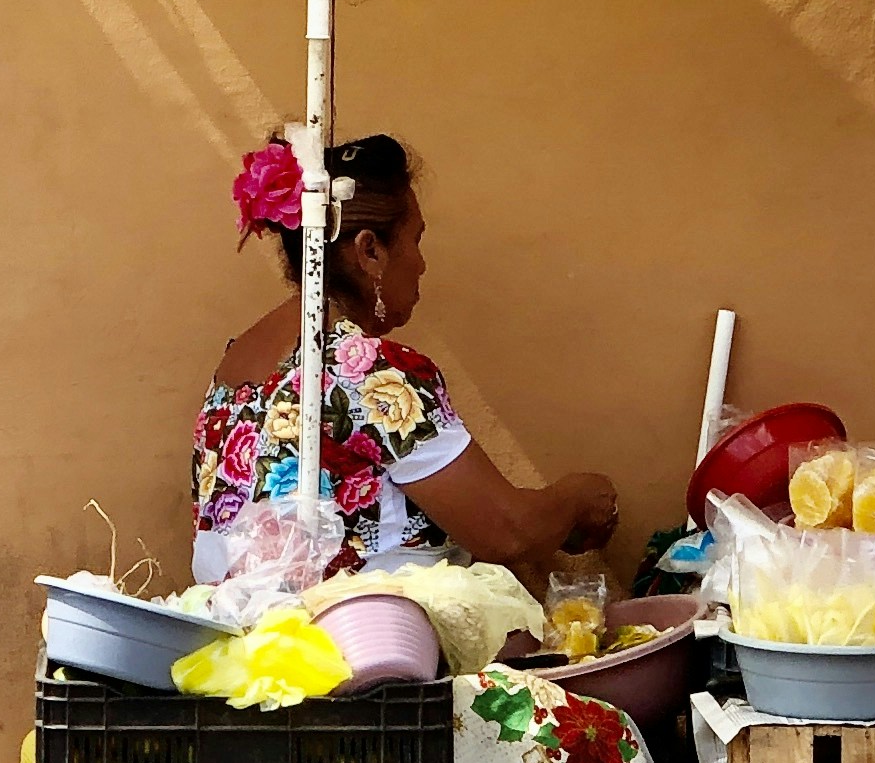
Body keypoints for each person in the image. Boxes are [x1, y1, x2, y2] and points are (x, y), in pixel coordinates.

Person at [192, 133, 621, 584]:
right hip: (358, 642)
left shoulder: (237, 360)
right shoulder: (368, 369)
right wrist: (574, 499)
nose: (421, 264)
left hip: (246, 637)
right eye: (415, 240)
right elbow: (508, 531)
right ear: (370, 250)